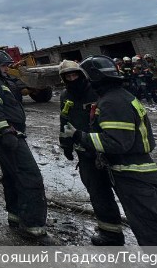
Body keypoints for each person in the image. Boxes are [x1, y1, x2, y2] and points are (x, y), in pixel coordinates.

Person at [62, 55, 157, 246]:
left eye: (80, 75)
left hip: (132, 172)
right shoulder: (119, 96)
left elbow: (116, 143)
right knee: (148, 226)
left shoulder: (112, 102)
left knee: (153, 231)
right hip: (130, 167)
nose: (77, 80)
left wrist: (79, 136)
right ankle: (111, 234)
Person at [0, 51, 55, 244]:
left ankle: (16, 216)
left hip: (10, 134)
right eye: (4, 66)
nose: (7, 68)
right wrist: (6, 131)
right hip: (9, 135)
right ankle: (32, 227)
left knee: (12, 176)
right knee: (30, 177)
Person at [58, 60, 124, 245]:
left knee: (125, 191)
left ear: (82, 74)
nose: (72, 78)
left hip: (108, 150)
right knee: (98, 192)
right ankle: (110, 233)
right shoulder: (66, 96)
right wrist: (66, 145)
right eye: (68, 76)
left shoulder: (96, 91)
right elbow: (64, 121)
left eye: (75, 75)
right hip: (85, 153)